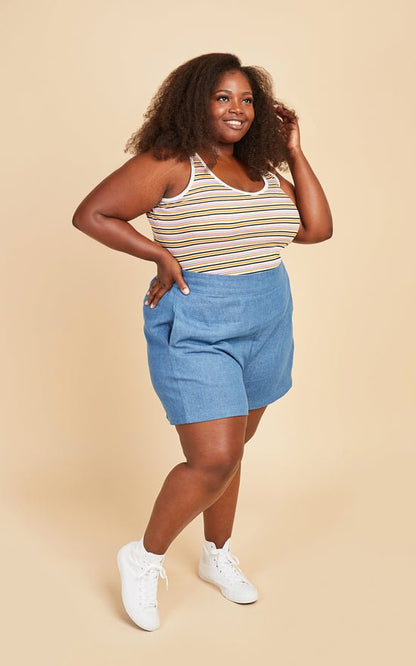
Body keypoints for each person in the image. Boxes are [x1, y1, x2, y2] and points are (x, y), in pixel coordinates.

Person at [72, 52, 333, 631]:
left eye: (247, 99)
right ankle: (143, 557)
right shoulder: (172, 163)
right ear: (196, 102)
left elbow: (317, 229)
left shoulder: (262, 172)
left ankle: (217, 554)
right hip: (199, 326)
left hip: (268, 321)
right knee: (213, 458)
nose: (237, 109)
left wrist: (293, 151)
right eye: (222, 97)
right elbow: (93, 214)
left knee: (233, 452)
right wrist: (159, 254)